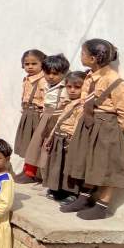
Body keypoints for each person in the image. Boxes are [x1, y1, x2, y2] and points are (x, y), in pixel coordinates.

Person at [62, 39, 124, 220]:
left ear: (92, 58)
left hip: (106, 127)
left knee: (107, 166)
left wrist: (114, 132)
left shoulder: (115, 81)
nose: (81, 57)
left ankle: (102, 205)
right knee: (87, 161)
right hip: (88, 122)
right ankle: (84, 197)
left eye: (83, 54)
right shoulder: (90, 77)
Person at [22, 54, 70, 185]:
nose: (51, 77)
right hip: (45, 118)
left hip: (56, 119)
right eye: (47, 73)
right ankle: (42, 178)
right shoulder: (47, 85)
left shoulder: (65, 87)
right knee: (39, 149)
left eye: (55, 74)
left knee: (50, 151)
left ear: (64, 72)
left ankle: (50, 182)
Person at [42, 71, 85, 201]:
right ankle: (57, 189)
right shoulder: (66, 102)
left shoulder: (82, 105)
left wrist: (72, 141)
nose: (72, 90)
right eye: (69, 87)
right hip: (58, 137)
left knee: (69, 167)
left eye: (77, 87)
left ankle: (72, 193)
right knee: (56, 165)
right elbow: (59, 121)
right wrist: (50, 137)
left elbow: (78, 125)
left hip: (69, 139)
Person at [13, 50, 46, 182]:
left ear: (42, 64)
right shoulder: (27, 79)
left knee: (35, 144)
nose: (30, 67)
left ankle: (32, 173)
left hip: (36, 115)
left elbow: (45, 99)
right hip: (27, 113)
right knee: (26, 143)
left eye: (34, 63)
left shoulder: (43, 81)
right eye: (27, 64)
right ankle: (27, 169)